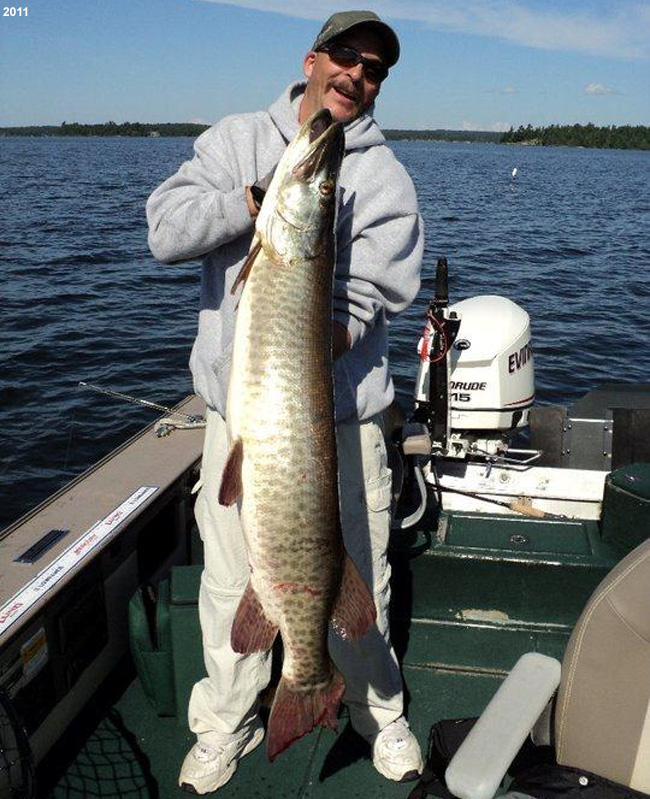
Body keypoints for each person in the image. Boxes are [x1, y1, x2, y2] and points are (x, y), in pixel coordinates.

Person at [146, 10, 424, 795]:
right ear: (311, 60)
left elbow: (378, 288)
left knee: (362, 577)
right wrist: (250, 201)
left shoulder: (386, 178)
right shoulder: (236, 140)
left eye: (374, 69)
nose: (357, 75)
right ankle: (225, 723)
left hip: (343, 423)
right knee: (230, 581)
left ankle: (377, 712)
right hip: (242, 420)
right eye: (346, 56)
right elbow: (165, 232)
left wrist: (313, 337)